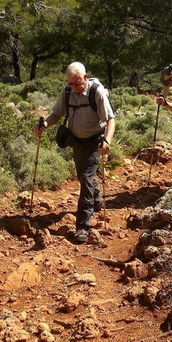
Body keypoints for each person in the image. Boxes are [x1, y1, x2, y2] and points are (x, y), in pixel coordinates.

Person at [35, 62, 115, 243]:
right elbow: (57, 114)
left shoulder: (97, 93)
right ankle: (97, 199)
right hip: (76, 142)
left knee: (86, 178)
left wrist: (107, 141)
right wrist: (45, 124)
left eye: (78, 83)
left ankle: (82, 227)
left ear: (85, 77)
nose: (75, 87)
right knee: (82, 176)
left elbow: (110, 120)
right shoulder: (68, 93)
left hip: (95, 141)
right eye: (71, 83)